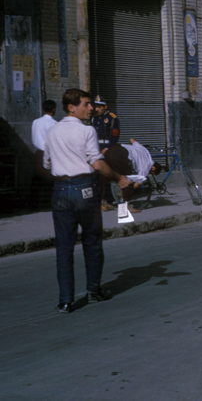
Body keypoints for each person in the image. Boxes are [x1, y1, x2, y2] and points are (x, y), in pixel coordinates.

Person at [44, 88, 131, 314]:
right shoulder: (87, 131)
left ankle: (65, 300)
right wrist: (119, 178)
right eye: (86, 104)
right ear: (71, 107)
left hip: (61, 189)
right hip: (85, 189)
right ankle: (94, 291)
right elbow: (97, 163)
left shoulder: (53, 131)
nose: (91, 108)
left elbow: (46, 163)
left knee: (64, 248)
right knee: (92, 242)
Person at [102, 138, 162, 213]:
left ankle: (103, 202)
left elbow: (131, 139)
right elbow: (136, 185)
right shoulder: (146, 168)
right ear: (153, 168)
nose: (149, 174)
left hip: (110, 150)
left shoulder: (144, 150)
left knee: (106, 175)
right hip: (121, 155)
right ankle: (126, 207)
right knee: (127, 180)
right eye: (151, 173)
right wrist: (130, 190)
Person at [91, 96, 120, 211]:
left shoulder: (112, 118)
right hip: (96, 150)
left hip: (108, 150)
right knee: (97, 176)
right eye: (95, 106)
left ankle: (105, 200)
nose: (96, 109)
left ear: (105, 106)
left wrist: (107, 148)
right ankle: (101, 199)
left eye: (99, 107)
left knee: (105, 176)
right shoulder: (94, 119)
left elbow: (115, 135)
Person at [31, 99, 58, 207]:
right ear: (54, 109)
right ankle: (48, 203)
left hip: (37, 152)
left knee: (36, 178)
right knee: (49, 178)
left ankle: (34, 203)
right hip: (49, 153)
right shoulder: (54, 124)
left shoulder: (35, 122)